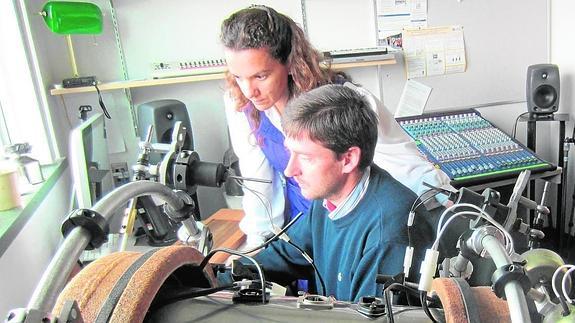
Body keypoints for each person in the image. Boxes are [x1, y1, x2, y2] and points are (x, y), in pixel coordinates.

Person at [221, 5, 451, 247]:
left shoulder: (345, 102)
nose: (249, 91)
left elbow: (406, 167)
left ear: (289, 63)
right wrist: (258, 244)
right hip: (301, 227)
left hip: (349, 225)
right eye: (238, 76)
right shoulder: (241, 103)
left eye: (260, 76)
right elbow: (259, 182)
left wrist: (446, 211)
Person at [250, 84, 431, 302]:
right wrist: (216, 276)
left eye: (306, 158)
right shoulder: (328, 199)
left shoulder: (388, 233)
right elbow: (284, 255)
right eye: (291, 153)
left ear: (348, 159)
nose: (290, 170)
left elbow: (371, 317)